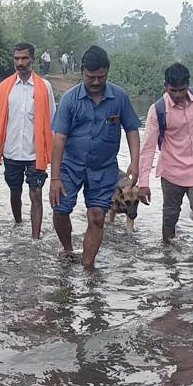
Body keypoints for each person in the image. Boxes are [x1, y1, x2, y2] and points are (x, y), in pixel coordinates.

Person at [49, 46, 141, 269]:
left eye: (101, 77)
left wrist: (135, 162)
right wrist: (54, 179)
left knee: (98, 215)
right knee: (61, 210)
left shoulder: (119, 97)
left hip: (103, 168)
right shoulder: (70, 100)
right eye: (91, 77)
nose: (96, 82)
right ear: (82, 72)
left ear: (107, 72)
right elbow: (59, 139)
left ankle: (88, 266)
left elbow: (132, 130)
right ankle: (68, 249)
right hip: (71, 165)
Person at [138, 62, 193, 247]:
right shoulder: (157, 110)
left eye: (181, 90)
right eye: (172, 90)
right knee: (170, 216)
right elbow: (148, 148)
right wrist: (143, 183)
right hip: (172, 172)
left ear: (188, 85)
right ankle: (169, 255)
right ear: (165, 86)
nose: (177, 95)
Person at [0, 42, 56, 240]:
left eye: (24, 58)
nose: (20, 63)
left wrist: (57, 152)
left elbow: (52, 120)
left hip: (36, 152)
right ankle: (17, 225)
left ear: (32, 59)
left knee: (36, 193)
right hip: (12, 150)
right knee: (15, 191)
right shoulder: (5, 87)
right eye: (16, 58)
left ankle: (35, 240)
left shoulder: (44, 87)